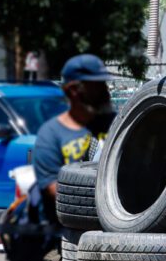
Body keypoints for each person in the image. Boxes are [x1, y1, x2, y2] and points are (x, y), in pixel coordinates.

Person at [32, 54, 118, 221]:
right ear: (73, 91)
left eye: (104, 84)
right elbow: (58, 193)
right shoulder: (50, 134)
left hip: (116, 221)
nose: (105, 92)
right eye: (97, 86)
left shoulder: (116, 125)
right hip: (69, 226)